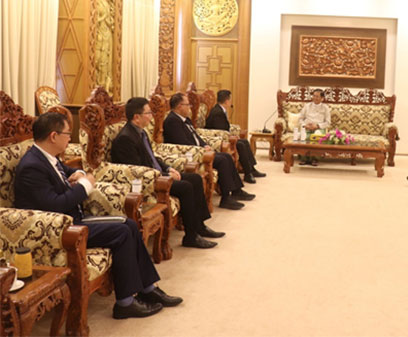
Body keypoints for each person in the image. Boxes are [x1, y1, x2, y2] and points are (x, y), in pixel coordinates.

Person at [14, 112, 182, 319]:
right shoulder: (32, 166)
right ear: (53, 136)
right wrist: (85, 185)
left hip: (73, 220)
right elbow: (54, 206)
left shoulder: (46, 157)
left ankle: (148, 289)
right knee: (122, 231)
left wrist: (80, 175)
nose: (70, 138)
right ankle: (125, 303)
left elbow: (68, 171)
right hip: (60, 230)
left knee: (129, 225)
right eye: (67, 134)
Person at [111, 97, 222, 249]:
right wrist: (163, 176)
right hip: (149, 182)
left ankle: (199, 226)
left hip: (159, 174)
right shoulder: (125, 138)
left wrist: (168, 168)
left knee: (195, 178)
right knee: (186, 187)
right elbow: (137, 170)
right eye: (148, 113)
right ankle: (190, 236)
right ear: (137, 117)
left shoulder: (140, 132)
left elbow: (151, 157)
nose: (151, 116)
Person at [164, 93, 255, 209]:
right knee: (222, 160)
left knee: (226, 157)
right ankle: (226, 198)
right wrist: (201, 150)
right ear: (179, 106)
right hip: (190, 154)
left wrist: (205, 145)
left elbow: (196, 136)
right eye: (187, 105)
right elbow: (182, 142)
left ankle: (237, 190)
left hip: (200, 149)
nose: (190, 107)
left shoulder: (185, 119)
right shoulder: (172, 121)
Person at [205, 89, 266, 184]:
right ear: (227, 101)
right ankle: (247, 173)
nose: (231, 101)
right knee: (241, 144)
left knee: (244, 142)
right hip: (216, 139)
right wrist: (231, 137)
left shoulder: (220, 109)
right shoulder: (217, 112)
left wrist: (232, 135)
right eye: (230, 99)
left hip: (223, 136)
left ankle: (251, 169)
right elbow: (220, 130)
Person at [297, 89, 331, 166]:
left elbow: (328, 123)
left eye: (317, 96)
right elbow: (300, 119)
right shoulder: (307, 106)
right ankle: (304, 158)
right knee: (305, 137)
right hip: (307, 127)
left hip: (319, 128)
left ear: (322, 98)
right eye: (314, 96)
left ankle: (315, 159)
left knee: (317, 138)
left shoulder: (325, 108)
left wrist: (317, 125)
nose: (315, 98)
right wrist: (305, 125)